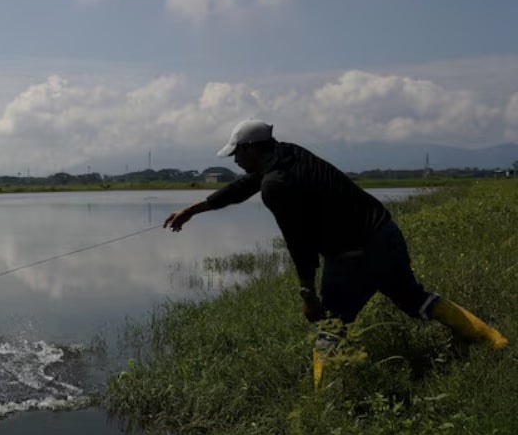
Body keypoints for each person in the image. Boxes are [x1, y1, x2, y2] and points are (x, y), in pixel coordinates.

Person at [163, 120, 507, 380]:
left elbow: (298, 243)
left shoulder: (276, 186)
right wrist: (194, 210)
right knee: (414, 299)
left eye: (237, 152)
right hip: (385, 233)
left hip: (350, 256)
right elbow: (241, 188)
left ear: (253, 148)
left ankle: (323, 405)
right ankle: (494, 341)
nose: (235, 158)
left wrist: (307, 293)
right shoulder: (288, 154)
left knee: (329, 327)